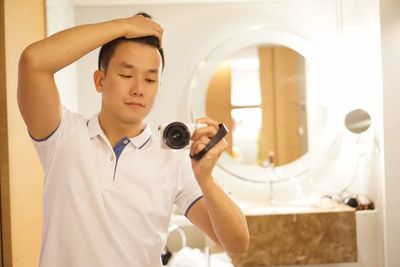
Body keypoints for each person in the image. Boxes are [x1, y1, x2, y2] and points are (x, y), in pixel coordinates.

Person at [17, 12, 249, 267]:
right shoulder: (62, 136)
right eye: (127, 75)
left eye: (150, 79)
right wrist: (124, 26)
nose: (139, 88)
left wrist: (205, 178)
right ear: (99, 80)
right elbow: (33, 61)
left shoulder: (174, 159)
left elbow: (237, 242)